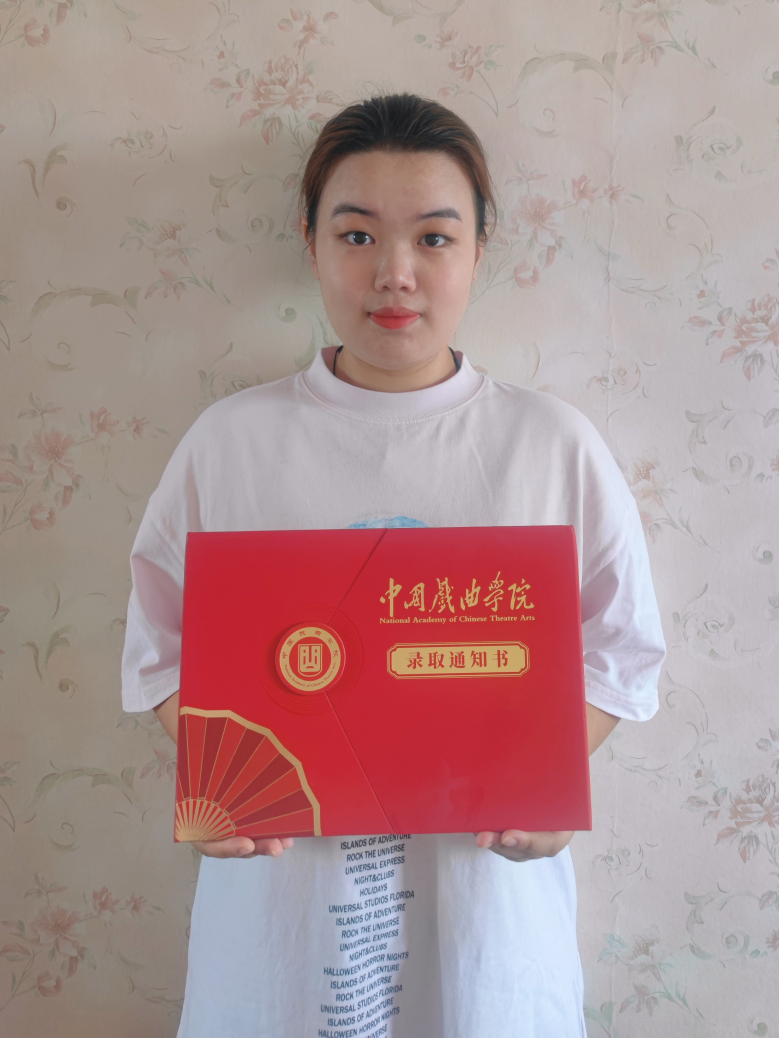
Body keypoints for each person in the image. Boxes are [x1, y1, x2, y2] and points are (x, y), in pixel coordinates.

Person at [121, 92, 666, 1038]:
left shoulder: (550, 444)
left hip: (480, 897)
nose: (395, 274)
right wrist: (223, 782)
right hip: (284, 901)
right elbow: (159, 642)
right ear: (311, 243)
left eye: (434, 238)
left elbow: (623, 647)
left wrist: (548, 780)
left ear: (479, 249)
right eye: (358, 235)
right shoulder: (231, 443)